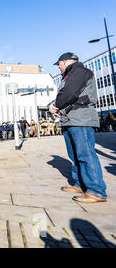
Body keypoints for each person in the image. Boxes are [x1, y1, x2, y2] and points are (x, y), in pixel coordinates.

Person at [49, 52, 107, 203]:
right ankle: (80, 184)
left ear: (65, 62)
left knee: (85, 155)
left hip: (80, 119)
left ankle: (96, 191)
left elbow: (69, 93)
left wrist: (55, 105)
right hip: (71, 119)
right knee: (75, 155)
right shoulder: (71, 74)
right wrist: (55, 105)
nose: (59, 68)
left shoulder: (79, 71)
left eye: (59, 64)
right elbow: (67, 94)